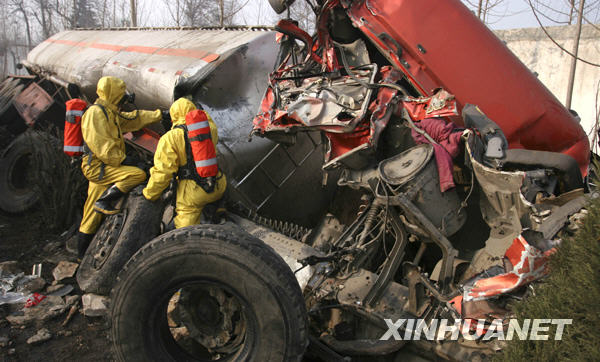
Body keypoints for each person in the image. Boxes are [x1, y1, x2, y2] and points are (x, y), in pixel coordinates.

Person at [77, 76, 163, 257]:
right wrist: (127, 161)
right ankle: (106, 200)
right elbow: (104, 149)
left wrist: (159, 114)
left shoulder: (109, 112)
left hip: (103, 166)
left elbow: (133, 119)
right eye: (121, 95)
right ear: (114, 94)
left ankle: (80, 256)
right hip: (99, 167)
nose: (124, 99)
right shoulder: (95, 114)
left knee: (91, 215)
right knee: (136, 174)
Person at [142, 97, 226, 228]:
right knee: (211, 197)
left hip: (193, 193)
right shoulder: (209, 127)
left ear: (173, 115)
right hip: (218, 184)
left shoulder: (169, 138)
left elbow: (163, 173)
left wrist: (149, 194)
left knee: (184, 228)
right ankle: (218, 211)